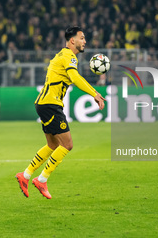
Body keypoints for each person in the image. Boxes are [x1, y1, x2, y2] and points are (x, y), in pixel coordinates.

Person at [15, 26, 105, 199]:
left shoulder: (61, 55)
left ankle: (25, 176)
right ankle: (42, 179)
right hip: (50, 104)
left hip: (44, 103)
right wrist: (94, 93)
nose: (85, 41)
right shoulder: (68, 56)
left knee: (53, 145)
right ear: (73, 40)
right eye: (82, 38)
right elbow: (75, 77)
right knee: (67, 145)